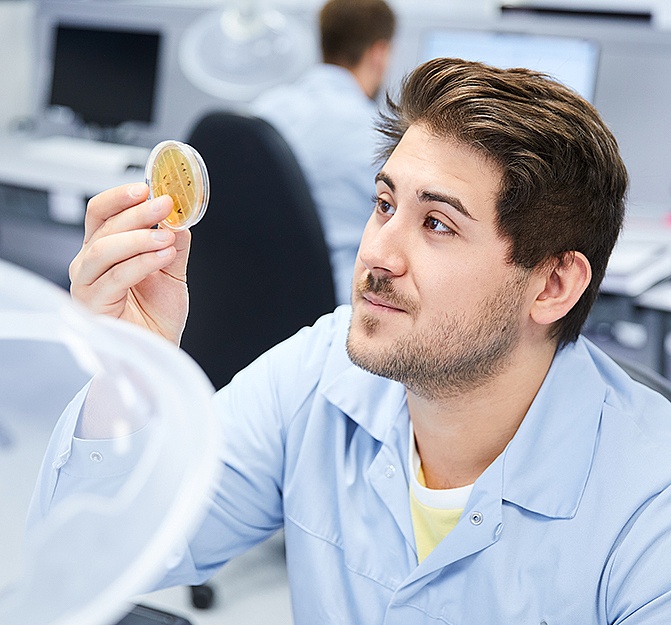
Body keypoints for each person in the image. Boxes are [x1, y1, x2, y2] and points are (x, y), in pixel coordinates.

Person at [36, 57, 671, 623]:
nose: (377, 252)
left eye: (438, 224)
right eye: (385, 204)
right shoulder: (321, 369)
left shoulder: (650, 505)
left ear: (553, 284)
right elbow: (91, 562)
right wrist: (128, 373)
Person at [250, 0, 396, 305]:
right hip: (334, 312)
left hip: (249, 298)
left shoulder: (262, 111)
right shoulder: (381, 137)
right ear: (379, 54)